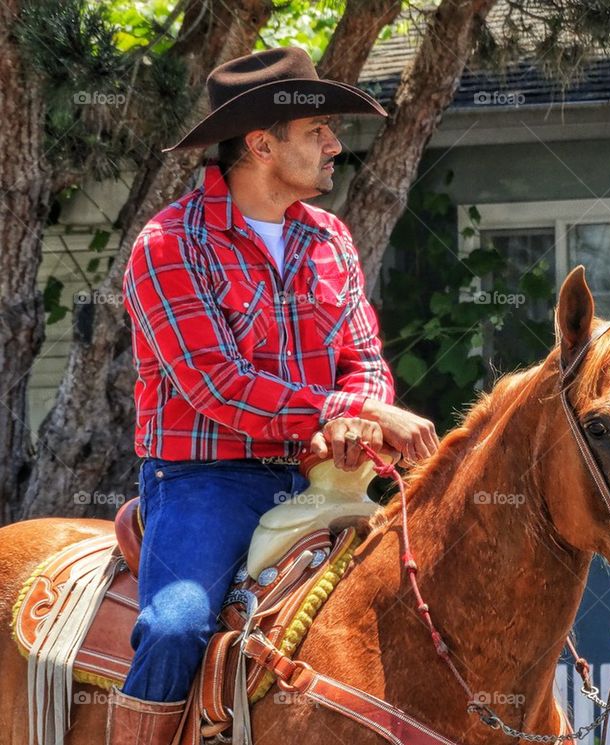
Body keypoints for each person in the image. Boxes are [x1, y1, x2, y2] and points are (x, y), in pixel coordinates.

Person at [113, 46, 439, 745]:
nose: (334, 143)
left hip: (324, 475)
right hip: (207, 482)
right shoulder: (169, 244)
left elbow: (364, 361)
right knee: (176, 625)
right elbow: (216, 384)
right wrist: (343, 412)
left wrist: (359, 408)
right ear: (261, 144)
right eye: (317, 129)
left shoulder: (331, 238)